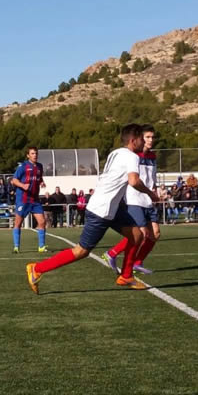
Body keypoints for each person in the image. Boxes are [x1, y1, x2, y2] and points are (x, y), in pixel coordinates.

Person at [26, 124, 159, 293]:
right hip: (101, 210)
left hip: (111, 208)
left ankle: (126, 276)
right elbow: (133, 181)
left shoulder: (116, 153)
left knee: (137, 235)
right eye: (142, 139)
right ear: (133, 140)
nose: (144, 142)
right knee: (81, 251)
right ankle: (37, 269)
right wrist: (151, 194)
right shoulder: (132, 157)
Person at [105, 124, 160, 274]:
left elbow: (151, 177)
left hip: (148, 199)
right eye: (147, 137)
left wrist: (155, 190)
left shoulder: (152, 156)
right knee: (140, 234)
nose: (151, 140)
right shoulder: (133, 155)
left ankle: (137, 262)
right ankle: (115, 256)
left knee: (155, 234)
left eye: (152, 137)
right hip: (134, 199)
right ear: (140, 138)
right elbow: (132, 179)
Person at [10, 146, 48, 253]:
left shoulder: (40, 166)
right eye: (32, 153)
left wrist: (41, 182)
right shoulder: (23, 166)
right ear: (28, 155)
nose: (35, 155)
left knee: (42, 222)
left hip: (35, 200)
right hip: (23, 199)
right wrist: (23, 185)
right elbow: (14, 180)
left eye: (36, 153)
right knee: (18, 223)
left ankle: (41, 247)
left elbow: (39, 177)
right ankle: (16, 247)